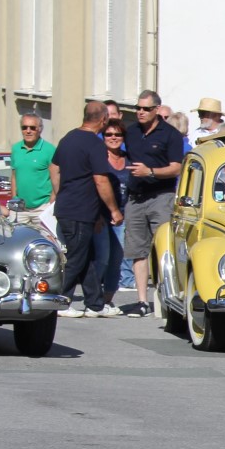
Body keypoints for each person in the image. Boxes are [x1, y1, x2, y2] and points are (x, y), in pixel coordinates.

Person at [53, 102, 124, 317]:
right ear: (103, 120)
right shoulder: (94, 144)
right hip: (78, 211)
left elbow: (54, 168)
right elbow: (101, 180)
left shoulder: (68, 138)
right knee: (76, 258)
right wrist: (113, 210)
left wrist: (61, 192)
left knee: (87, 257)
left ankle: (95, 304)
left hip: (70, 208)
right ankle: (60, 302)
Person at [120, 88, 184, 317]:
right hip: (136, 197)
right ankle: (141, 301)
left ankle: (166, 298)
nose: (140, 112)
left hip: (161, 196)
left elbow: (177, 167)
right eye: (137, 108)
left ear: (157, 110)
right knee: (138, 251)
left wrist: (151, 172)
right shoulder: (132, 132)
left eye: (146, 109)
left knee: (163, 249)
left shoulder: (171, 135)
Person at [97, 120, 131, 314]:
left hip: (122, 218)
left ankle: (107, 299)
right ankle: (93, 297)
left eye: (117, 135)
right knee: (101, 258)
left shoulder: (128, 160)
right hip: (101, 217)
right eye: (108, 134)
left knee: (116, 259)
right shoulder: (99, 159)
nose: (113, 138)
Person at [9, 114, 56, 218]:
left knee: (44, 235)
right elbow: (14, 175)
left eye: (32, 128)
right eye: (24, 127)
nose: (28, 131)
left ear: (40, 129)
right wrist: (14, 198)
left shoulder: (50, 150)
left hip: (42, 208)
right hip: (19, 208)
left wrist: (51, 202)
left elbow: (57, 178)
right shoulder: (16, 149)